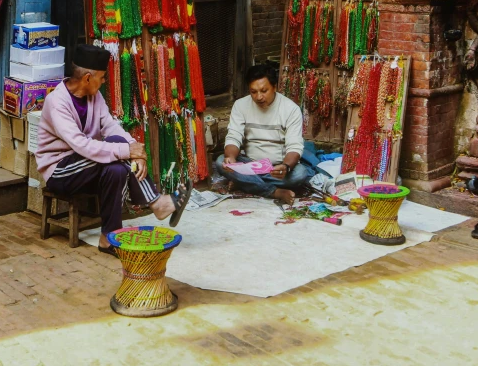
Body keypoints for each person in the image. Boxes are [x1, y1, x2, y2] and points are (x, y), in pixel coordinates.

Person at [35, 44, 192, 256]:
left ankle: (108, 238)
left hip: (87, 165)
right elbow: (81, 144)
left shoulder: (94, 97)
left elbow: (110, 127)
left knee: (116, 170)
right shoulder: (57, 102)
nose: (104, 81)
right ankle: (157, 203)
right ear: (87, 78)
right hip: (61, 171)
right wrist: (128, 151)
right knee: (118, 148)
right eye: (101, 77)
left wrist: (136, 151)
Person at [216, 64, 309, 203]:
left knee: (300, 174)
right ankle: (274, 192)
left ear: (275, 87)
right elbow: (234, 136)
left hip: (276, 168)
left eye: (264, 91)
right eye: (253, 92)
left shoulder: (290, 109)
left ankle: (246, 183)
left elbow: (294, 146)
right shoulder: (240, 105)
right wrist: (231, 158)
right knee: (220, 162)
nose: (259, 97)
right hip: (250, 164)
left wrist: (285, 166)